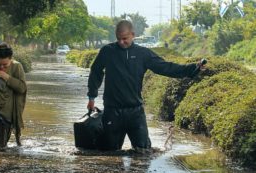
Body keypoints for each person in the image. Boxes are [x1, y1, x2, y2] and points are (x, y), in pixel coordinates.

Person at [87, 20, 205, 151]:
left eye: (125, 38)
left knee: (144, 152)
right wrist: (92, 97)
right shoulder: (107, 51)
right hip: (112, 112)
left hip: (136, 112)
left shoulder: (143, 54)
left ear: (133, 35)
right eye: (118, 39)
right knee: (108, 155)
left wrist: (193, 69)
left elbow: (166, 67)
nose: (121, 42)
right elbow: (95, 72)